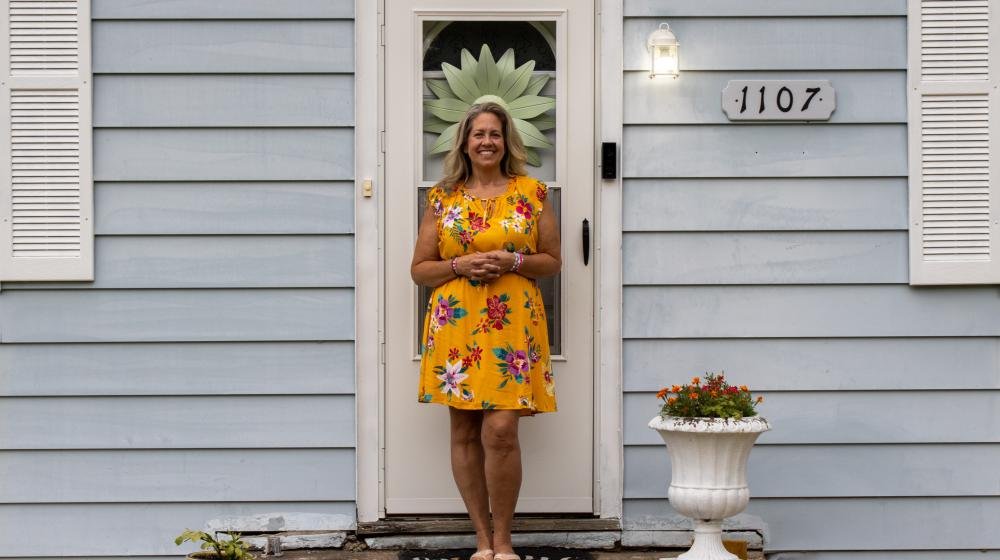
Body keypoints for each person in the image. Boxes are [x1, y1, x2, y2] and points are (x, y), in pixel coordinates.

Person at [410, 102, 561, 560]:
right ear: (465, 142)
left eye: (494, 134)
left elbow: (552, 262)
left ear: (506, 141)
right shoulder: (443, 198)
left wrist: (513, 260)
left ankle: (504, 539)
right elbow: (419, 270)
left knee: (500, 431)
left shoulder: (532, 193)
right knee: (463, 429)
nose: (487, 142)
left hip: (511, 325)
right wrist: (459, 264)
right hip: (457, 323)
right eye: (478, 134)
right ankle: (481, 539)